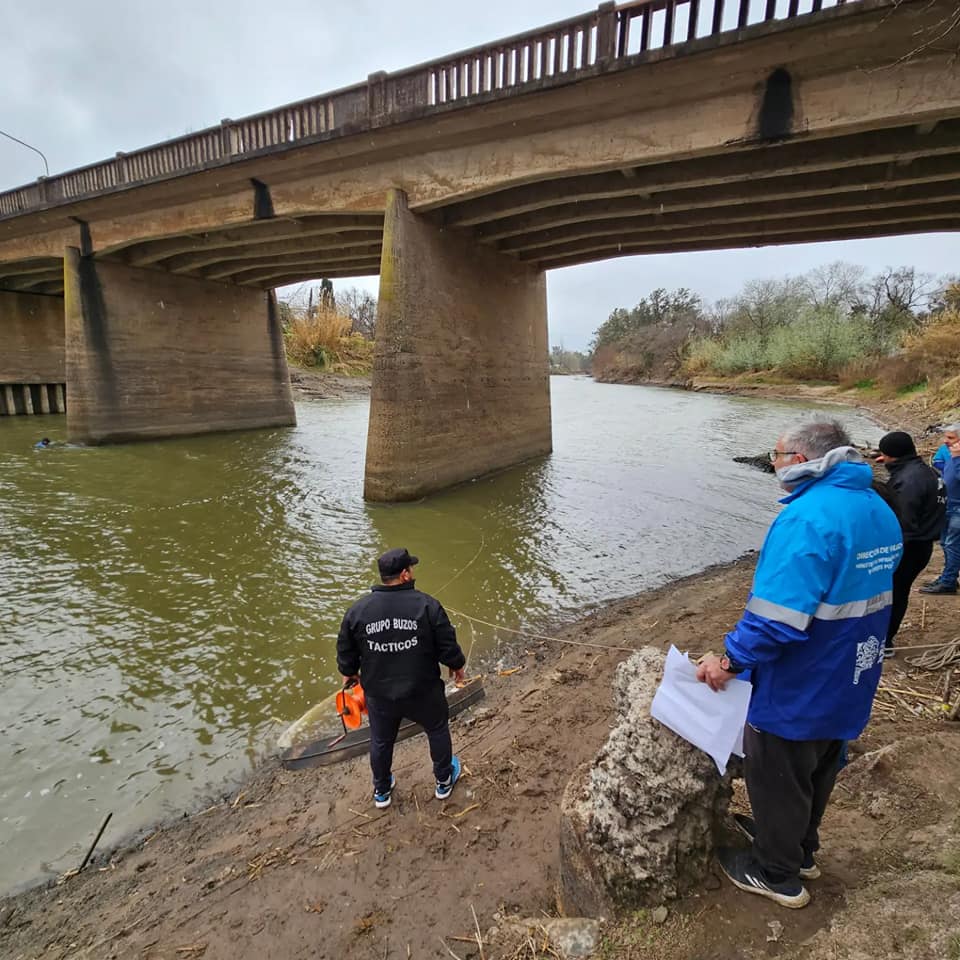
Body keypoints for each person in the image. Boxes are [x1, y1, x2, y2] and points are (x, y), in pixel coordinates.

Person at [697, 420, 902, 909]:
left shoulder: (806, 519)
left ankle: (777, 873)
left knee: (779, 772)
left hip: (803, 677)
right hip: (852, 670)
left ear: (806, 457)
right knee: (821, 766)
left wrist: (729, 662)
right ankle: (801, 849)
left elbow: (774, 619)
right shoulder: (876, 504)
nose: (773, 463)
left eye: (778, 453)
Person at [337, 547, 466, 809]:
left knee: (381, 741)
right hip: (423, 690)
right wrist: (457, 665)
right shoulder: (427, 605)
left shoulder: (358, 611)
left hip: (380, 695)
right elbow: (447, 643)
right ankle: (443, 780)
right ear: (405, 574)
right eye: (412, 568)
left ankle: (382, 790)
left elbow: (345, 647)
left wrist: (348, 672)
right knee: (437, 729)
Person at [875, 431, 945, 646]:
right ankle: (885, 638)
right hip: (924, 544)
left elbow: (902, 520)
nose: (882, 459)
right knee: (900, 591)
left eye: (884, 455)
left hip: (909, 546)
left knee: (893, 593)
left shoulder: (909, 481)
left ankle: (885, 641)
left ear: (892, 455)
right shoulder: (930, 472)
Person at [921, 423, 960, 595]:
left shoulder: (957, 456)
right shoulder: (950, 453)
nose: (946, 442)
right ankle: (948, 576)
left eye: (951, 438)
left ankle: (948, 582)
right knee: (946, 543)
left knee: (951, 544)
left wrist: (957, 458)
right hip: (948, 504)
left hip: (958, 508)